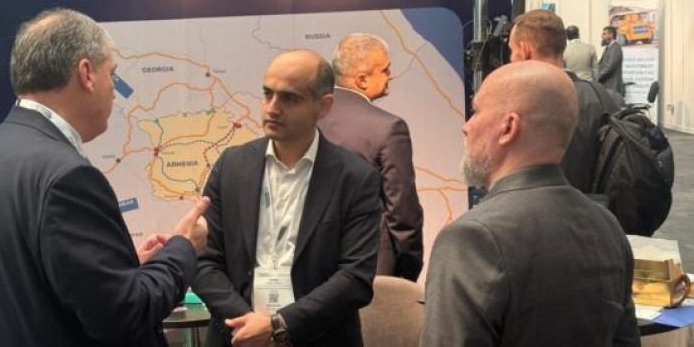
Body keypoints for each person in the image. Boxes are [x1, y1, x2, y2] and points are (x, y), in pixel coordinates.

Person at [0, 8, 208, 347]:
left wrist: (120, 267)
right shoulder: (68, 177)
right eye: (112, 74)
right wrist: (183, 248)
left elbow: (29, 280)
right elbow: (125, 315)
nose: (114, 90)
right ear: (86, 73)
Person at [420, 61, 640, 347]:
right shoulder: (607, 226)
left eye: (476, 111)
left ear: (508, 127)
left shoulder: (472, 238)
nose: (466, 126)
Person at [193, 49, 381, 347]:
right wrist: (248, 324)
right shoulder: (231, 166)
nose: (272, 108)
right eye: (267, 94)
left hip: (318, 338)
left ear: (324, 106)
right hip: (237, 336)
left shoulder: (356, 178)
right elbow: (204, 260)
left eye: (290, 98)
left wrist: (278, 326)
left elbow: (355, 277)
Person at [318, 33, 423, 282]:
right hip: (370, 270)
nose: (391, 75)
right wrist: (408, 271)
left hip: (313, 269)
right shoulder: (389, 128)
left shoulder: (307, 122)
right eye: (385, 70)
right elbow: (402, 212)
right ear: (362, 80)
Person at [508, 10, 620, 193]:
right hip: (600, 206)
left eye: (512, 51)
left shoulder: (520, 105)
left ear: (525, 50)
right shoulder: (606, 98)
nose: (510, 59)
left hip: (542, 207)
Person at [598, 25, 625, 97]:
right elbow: (601, 65)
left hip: (613, 87)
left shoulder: (615, 48)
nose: (602, 36)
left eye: (604, 34)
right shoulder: (608, 48)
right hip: (607, 86)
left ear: (611, 35)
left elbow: (609, 67)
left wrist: (596, 77)